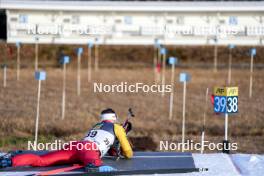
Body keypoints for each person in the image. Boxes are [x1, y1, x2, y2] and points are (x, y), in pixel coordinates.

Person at [0, 108, 133, 172]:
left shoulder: (96, 126)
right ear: (114, 117)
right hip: (88, 150)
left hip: (76, 146)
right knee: (94, 166)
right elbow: (128, 152)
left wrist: (113, 148)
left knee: (42, 160)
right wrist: (121, 145)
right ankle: (94, 165)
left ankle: (9, 161)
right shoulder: (117, 127)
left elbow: (106, 147)